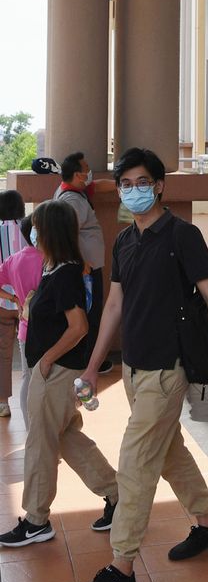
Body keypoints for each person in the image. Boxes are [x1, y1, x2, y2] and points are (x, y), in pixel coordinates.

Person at [70, 148, 208, 582]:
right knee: (168, 452)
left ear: (160, 185)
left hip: (168, 370)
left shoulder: (182, 236)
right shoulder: (125, 241)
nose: (133, 191)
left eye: (142, 182)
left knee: (136, 462)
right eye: (125, 184)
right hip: (133, 370)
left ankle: (120, 566)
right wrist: (92, 365)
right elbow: (115, 306)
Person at [0, 200, 118, 548]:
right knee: (67, 437)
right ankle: (116, 494)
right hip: (55, 369)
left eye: (36, 225)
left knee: (40, 441)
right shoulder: (57, 268)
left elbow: (78, 326)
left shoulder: (65, 272)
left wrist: (48, 360)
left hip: (58, 371)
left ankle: (36, 520)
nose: (31, 231)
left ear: (49, 231)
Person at [56, 152, 117, 375]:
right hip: (85, 269)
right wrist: (82, 262)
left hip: (88, 265)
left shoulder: (74, 190)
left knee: (91, 312)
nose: (89, 172)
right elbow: (68, 234)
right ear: (77, 175)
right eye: (86, 169)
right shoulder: (71, 200)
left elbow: (97, 186)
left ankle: (89, 359)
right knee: (89, 314)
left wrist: (120, 183)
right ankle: (89, 361)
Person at [0, 216, 44, 428]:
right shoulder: (51, 258)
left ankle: (30, 428)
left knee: (28, 377)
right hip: (54, 330)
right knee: (50, 380)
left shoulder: (14, 260)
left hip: (26, 329)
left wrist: (13, 298)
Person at [0, 190, 26, 417]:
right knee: (29, 349)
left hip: (2, 302)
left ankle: (3, 403)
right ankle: (32, 396)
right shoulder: (27, 230)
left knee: (3, 353)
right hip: (27, 301)